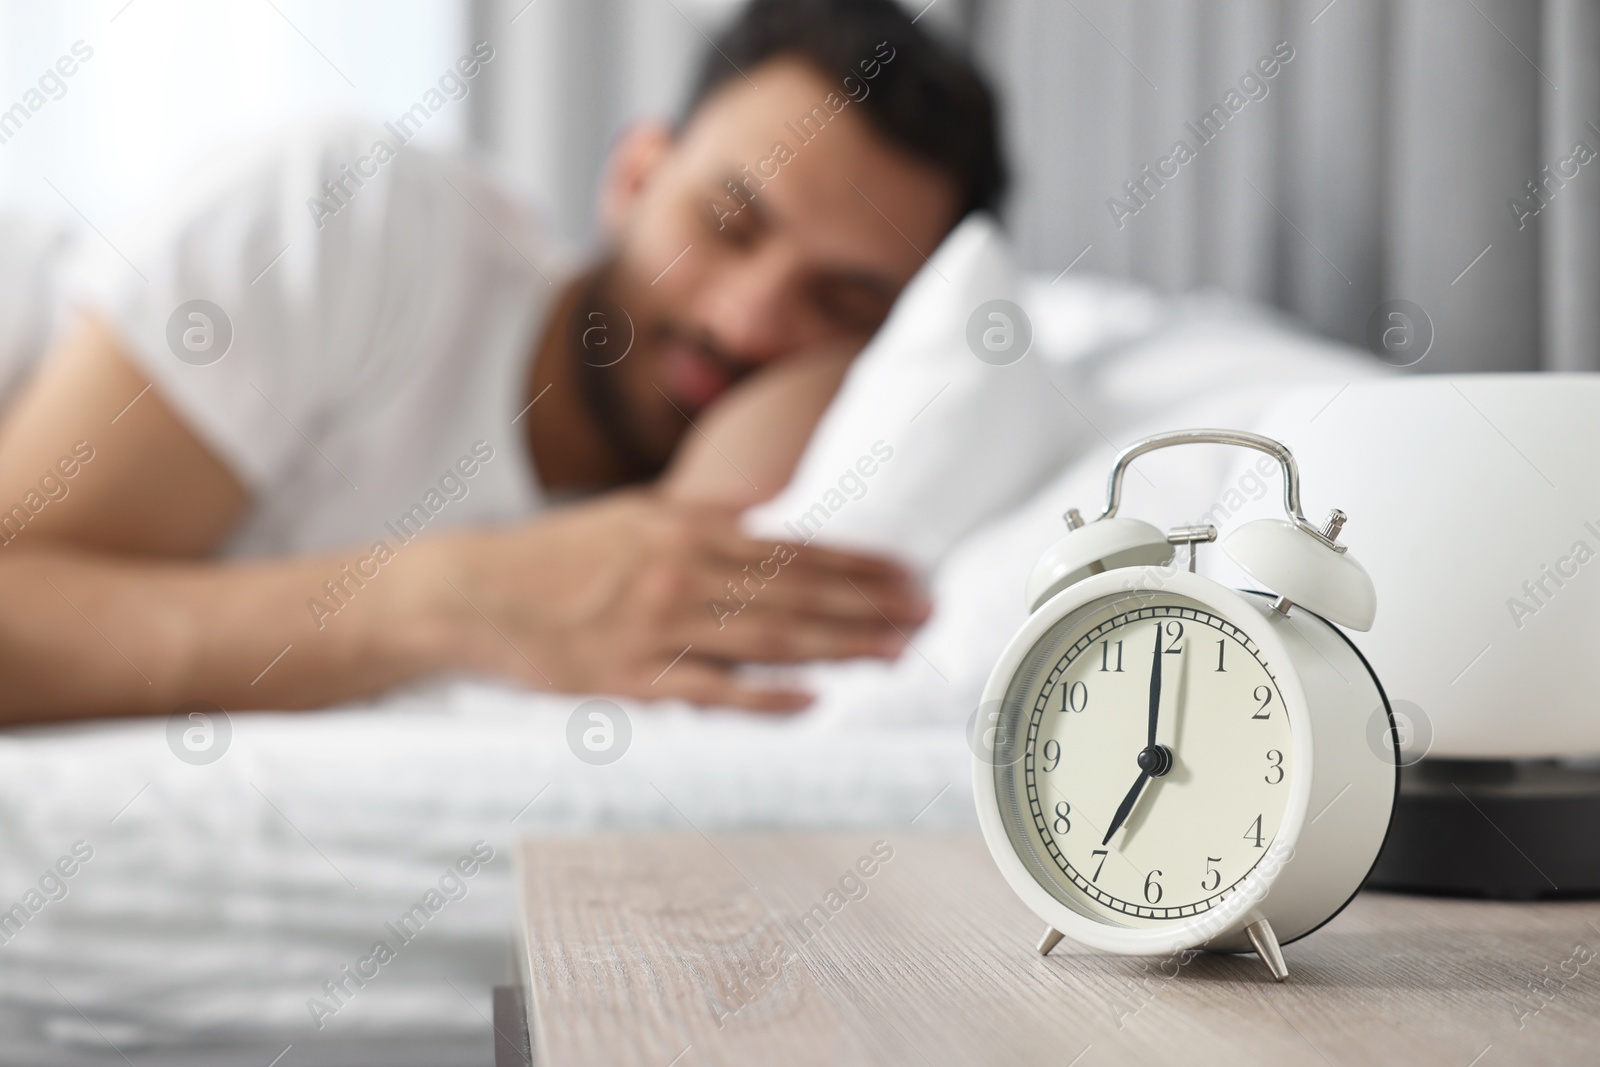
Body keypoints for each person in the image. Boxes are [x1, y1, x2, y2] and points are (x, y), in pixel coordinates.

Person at [0, 0, 1006, 722]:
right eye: (727, 224)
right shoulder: (350, 215)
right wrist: (456, 596)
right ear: (634, 175)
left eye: (839, 303)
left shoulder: (707, 519)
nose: (745, 322)